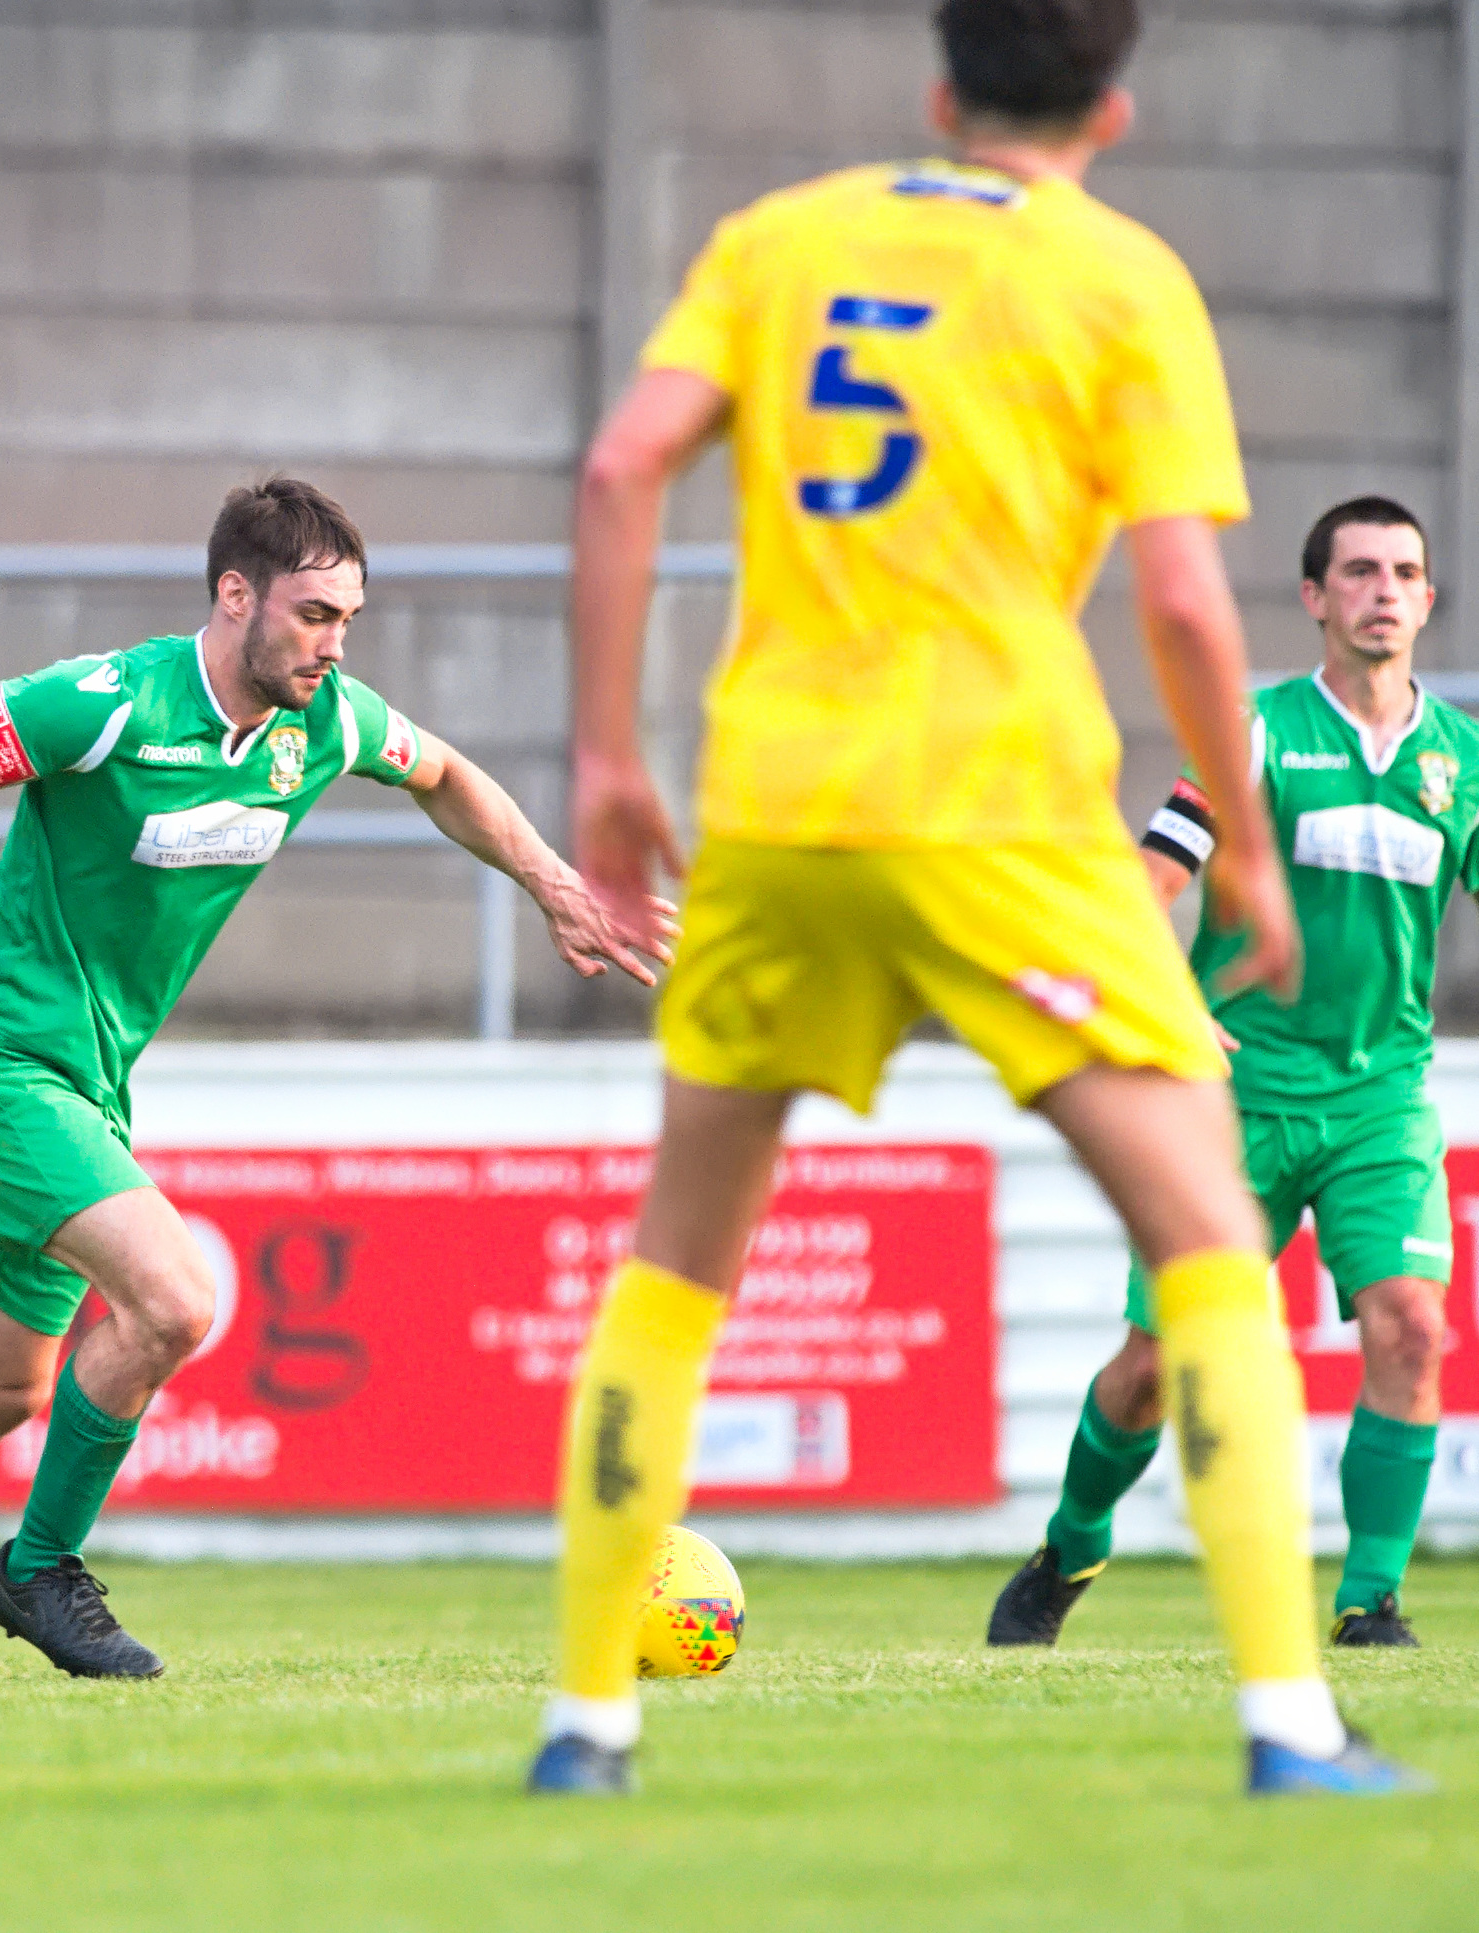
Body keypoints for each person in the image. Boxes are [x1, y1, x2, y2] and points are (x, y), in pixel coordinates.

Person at [542, 0, 1426, 1796]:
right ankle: (1283, 1721)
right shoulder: (1116, 276)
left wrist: (601, 754)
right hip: (998, 817)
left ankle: (583, 1725)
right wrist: (1243, 841)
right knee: (1204, 1248)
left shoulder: (778, 238)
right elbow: (1183, 605)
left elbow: (620, 464)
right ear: (1113, 104)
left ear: (939, 96)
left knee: (671, 1271)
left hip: (774, 807)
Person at [0, 476, 669, 1679]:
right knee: (176, 1300)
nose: (334, 644)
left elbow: (447, 774)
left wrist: (554, 883)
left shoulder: (327, 723)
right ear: (234, 594)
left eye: (348, 619)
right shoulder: (106, 703)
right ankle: (40, 1568)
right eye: (314, 614)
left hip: (82, 1073)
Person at [993, 497, 1470, 1652]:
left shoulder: (1461, 760)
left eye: (1404, 572)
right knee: (1156, 1368)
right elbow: (1144, 887)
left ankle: (1369, 1602)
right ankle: (1071, 1541)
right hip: (1235, 1096)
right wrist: (1166, 1007)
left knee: (1411, 1324)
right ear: (1315, 598)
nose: (1384, 591)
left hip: (1380, 1099)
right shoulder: (1251, 737)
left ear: (1428, 599)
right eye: (1358, 572)